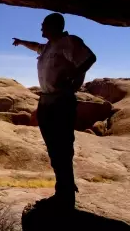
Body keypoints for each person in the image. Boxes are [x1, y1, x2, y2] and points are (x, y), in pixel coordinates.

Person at [12, 13, 96, 209]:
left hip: (61, 100)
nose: (41, 29)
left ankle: (66, 193)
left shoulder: (69, 41)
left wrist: (72, 77)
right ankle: (63, 188)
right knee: (53, 147)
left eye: (43, 26)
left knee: (62, 146)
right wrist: (21, 42)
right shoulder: (50, 45)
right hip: (47, 101)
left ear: (54, 26)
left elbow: (90, 58)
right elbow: (37, 46)